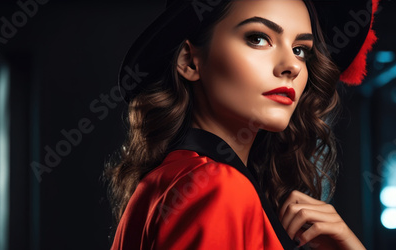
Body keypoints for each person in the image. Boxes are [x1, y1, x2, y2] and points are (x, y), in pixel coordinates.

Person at [105, 0, 378, 249]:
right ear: (189, 61)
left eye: (300, 50)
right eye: (258, 38)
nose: (291, 66)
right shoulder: (217, 186)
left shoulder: (162, 182)